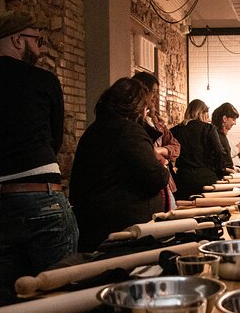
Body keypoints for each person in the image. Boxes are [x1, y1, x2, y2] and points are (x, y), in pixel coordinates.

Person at [0, 10, 79, 287]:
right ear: (17, 39)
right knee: (59, 293)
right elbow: (55, 139)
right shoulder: (43, 80)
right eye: (37, 41)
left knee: (5, 299)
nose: (40, 48)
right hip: (41, 195)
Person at [70, 78, 170, 252]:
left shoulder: (93, 131)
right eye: (145, 107)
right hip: (123, 231)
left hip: (93, 225)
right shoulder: (128, 131)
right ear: (136, 106)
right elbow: (155, 177)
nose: (146, 112)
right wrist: (162, 166)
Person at [132, 71, 180, 211]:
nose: (155, 96)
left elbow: (176, 146)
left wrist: (160, 150)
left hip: (166, 180)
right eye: (153, 92)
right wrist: (161, 157)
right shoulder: (135, 124)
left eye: (157, 92)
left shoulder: (156, 121)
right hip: (151, 186)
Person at [170, 99, 225, 200]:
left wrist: (174, 176)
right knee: (210, 210)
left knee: (185, 212)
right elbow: (219, 152)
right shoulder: (209, 128)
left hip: (183, 179)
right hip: (207, 177)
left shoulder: (174, 130)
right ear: (201, 113)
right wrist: (220, 173)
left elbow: (168, 156)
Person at [211, 102, 240, 172]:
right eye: (233, 119)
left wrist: (233, 168)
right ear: (224, 118)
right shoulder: (216, 135)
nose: (235, 123)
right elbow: (219, 161)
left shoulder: (221, 134)